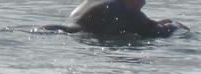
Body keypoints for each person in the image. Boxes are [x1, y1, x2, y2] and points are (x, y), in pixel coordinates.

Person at [48, 0, 179, 38]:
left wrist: (155, 23)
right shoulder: (126, 10)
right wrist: (175, 25)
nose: (144, 3)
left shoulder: (100, 2)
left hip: (56, 30)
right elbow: (157, 33)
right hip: (80, 37)